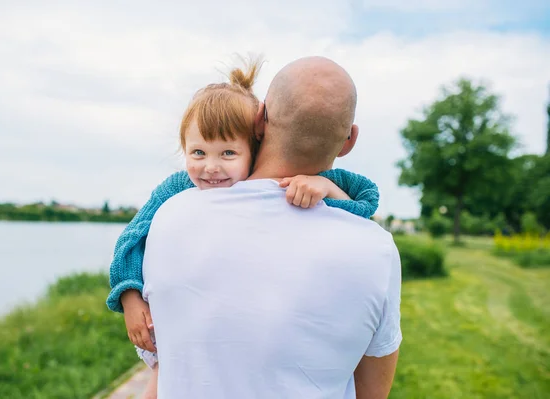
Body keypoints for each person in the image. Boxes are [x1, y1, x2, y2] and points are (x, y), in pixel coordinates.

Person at [107, 57, 381, 398]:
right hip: (173, 338)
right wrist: (130, 296)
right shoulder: (175, 189)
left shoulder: (288, 180)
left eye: (227, 153)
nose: (210, 168)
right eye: (197, 152)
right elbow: (131, 239)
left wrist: (327, 189)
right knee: (160, 378)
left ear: (256, 140)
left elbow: (365, 199)